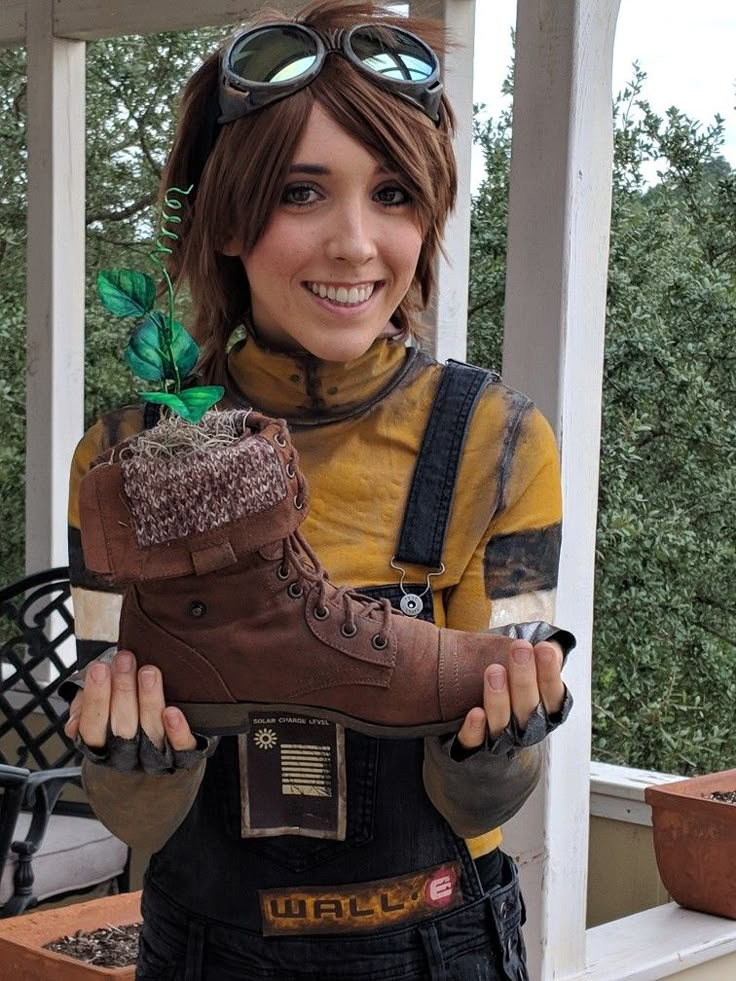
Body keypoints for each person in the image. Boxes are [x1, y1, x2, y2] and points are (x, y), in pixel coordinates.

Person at [64, 2, 573, 978]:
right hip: (202, 946)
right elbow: (133, 812)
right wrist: (134, 757)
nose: (354, 243)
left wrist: (499, 743)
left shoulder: (498, 447)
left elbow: (483, 805)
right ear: (223, 215)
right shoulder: (127, 462)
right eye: (302, 192)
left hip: (434, 940)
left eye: (393, 194)